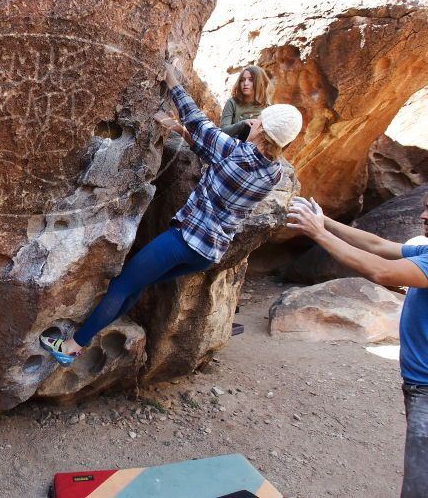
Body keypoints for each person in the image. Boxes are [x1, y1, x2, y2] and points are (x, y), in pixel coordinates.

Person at [39, 61, 303, 365]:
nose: (253, 121)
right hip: (208, 252)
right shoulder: (274, 174)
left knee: (123, 284)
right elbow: (219, 161)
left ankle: (71, 346)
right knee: (139, 283)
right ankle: (90, 332)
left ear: (262, 129)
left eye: (259, 121)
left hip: (185, 240)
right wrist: (180, 131)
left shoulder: (234, 150)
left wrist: (173, 82)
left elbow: (197, 119)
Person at [286, 194, 428, 498]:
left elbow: (381, 270)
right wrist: (324, 220)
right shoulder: (426, 249)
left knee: (419, 487)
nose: (424, 216)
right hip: (419, 386)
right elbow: (377, 245)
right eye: (426, 207)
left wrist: (318, 233)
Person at [220, 65, 272, 139]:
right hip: (231, 145)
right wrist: (243, 123)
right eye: (242, 80)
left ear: (259, 82)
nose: (245, 83)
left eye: (251, 79)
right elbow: (222, 131)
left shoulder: (267, 108)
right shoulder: (232, 103)